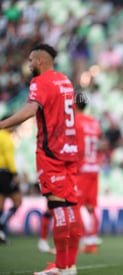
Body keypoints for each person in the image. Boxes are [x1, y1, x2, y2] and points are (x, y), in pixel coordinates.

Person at [0, 44, 82, 275]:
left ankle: (62, 267)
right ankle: (67, 265)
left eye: (30, 60)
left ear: (39, 61)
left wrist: (3, 124)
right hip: (69, 151)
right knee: (68, 207)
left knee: (57, 207)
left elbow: (30, 109)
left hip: (51, 152)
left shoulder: (41, 82)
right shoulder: (65, 80)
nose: (28, 65)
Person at [74, 92, 102, 253]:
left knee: (76, 205)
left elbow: (77, 148)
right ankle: (92, 240)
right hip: (94, 168)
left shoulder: (75, 123)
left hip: (81, 169)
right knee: (91, 206)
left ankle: (83, 238)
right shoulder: (94, 123)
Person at [0, 115, 22, 244]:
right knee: (18, 201)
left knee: (1, 203)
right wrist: (14, 174)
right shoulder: (6, 138)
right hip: (5, 173)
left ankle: (0, 232)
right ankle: (1, 225)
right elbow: (9, 158)